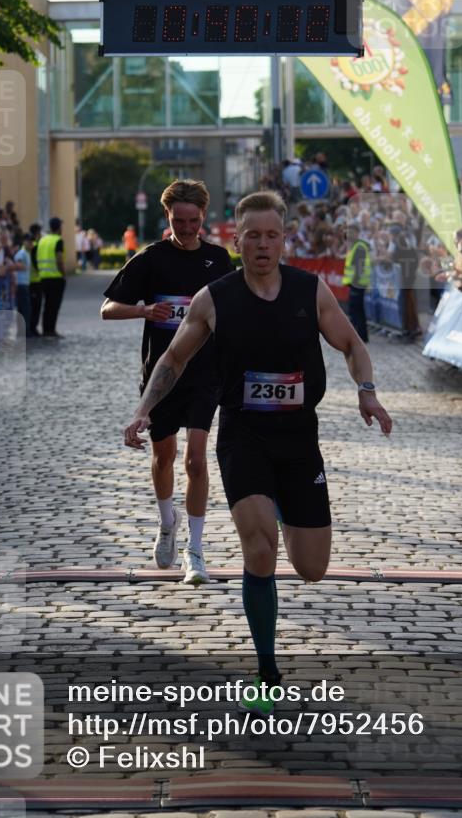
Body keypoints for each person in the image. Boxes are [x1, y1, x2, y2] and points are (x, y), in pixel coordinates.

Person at [124, 190, 392, 715]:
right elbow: (173, 358)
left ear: (283, 239)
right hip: (243, 436)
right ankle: (267, 672)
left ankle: (290, 510)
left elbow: (353, 345)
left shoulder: (309, 290)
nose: (263, 245)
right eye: (253, 235)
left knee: (312, 567)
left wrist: (367, 392)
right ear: (236, 239)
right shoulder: (214, 298)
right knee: (259, 550)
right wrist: (143, 409)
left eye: (272, 235)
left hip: (298, 439)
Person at [103, 180, 233, 584]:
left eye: (194, 220)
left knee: (196, 458)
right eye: (180, 221)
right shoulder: (150, 258)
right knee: (164, 457)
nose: (188, 228)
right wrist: (144, 311)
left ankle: (195, 551)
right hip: (162, 372)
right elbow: (108, 309)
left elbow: (232, 314)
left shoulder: (218, 259)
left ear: (203, 218)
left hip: (206, 372)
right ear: (167, 217)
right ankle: (167, 522)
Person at [37, 217, 66, 337]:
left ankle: (45, 329)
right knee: (54, 306)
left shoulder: (42, 240)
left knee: (46, 305)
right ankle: (51, 330)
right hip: (56, 277)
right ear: (59, 227)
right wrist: (63, 273)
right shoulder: (58, 240)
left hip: (43, 277)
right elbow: (59, 259)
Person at [342, 223, 371, 342]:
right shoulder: (355, 246)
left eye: (351, 232)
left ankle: (358, 337)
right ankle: (361, 336)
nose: (348, 234)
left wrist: (354, 282)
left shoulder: (359, 247)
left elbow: (359, 267)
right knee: (358, 311)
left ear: (357, 233)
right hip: (356, 283)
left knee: (355, 311)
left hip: (357, 283)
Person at [29, 222, 43, 337]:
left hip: (33, 280)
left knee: (34, 306)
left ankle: (32, 328)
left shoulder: (32, 244)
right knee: (35, 306)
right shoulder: (34, 245)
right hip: (34, 281)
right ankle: (32, 328)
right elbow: (35, 263)